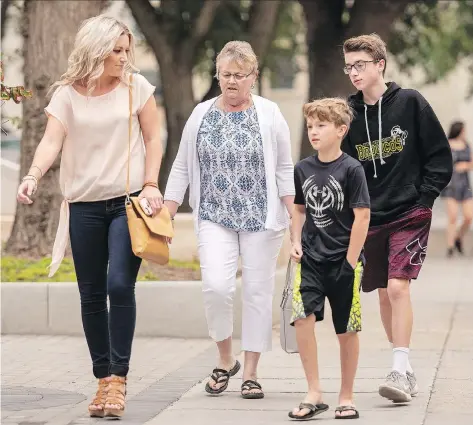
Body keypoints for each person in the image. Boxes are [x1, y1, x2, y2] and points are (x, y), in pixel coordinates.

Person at [16, 15, 163, 418]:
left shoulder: (137, 87)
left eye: (126, 49)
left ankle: (119, 379)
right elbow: (51, 140)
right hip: (83, 206)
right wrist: (33, 174)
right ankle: (102, 380)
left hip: (127, 203)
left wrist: (151, 184)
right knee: (91, 295)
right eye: (116, 50)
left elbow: (154, 136)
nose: (124, 57)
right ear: (95, 49)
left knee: (120, 285)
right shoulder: (66, 94)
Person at [164, 40, 294, 399]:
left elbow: (285, 168)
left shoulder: (270, 113)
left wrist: (295, 219)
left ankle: (250, 371)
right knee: (217, 287)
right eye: (225, 75)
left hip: (261, 217)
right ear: (217, 75)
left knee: (256, 291)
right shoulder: (201, 113)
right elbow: (181, 167)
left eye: (239, 75)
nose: (232, 81)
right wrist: (168, 215)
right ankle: (226, 359)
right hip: (214, 215)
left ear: (253, 76)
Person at [341, 33, 453, 403]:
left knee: (397, 287)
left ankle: (400, 368)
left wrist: (425, 199)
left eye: (360, 65)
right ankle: (404, 367)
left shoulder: (410, 103)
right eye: (349, 66)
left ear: (380, 65)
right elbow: (341, 166)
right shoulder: (348, 114)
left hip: (409, 212)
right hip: (370, 217)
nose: (354, 72)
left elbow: (439, 155)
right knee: (384, 297)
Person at [288, 98, 370, 420]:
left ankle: (346, 396)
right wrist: (295, 241)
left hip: (343, 261)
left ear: (341, 129)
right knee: (302, 320)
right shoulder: (303, 169)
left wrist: (350, 262)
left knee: (345, 329)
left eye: (321, 125)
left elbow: (362, 217)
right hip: (310, 259)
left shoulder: (352, 169)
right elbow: (298, 209)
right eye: (310, 126)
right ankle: (314, 391)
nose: (314, 131)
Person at [441, 121, 472, 256]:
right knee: (452, 217)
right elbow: (441, 163)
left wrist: (466, 165)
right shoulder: (447, 144)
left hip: (465, 186)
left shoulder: (467, 146)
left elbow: (472, 163)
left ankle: (458, 237)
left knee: (468, 217)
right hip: (450, 186)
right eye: (463, 130)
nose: (465, 132)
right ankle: (450, 246)